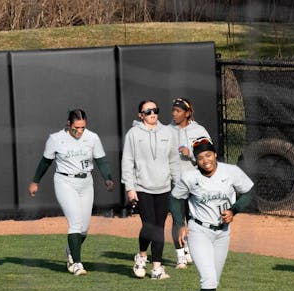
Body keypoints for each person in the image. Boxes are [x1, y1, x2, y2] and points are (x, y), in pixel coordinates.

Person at [170, 138, 254, 291]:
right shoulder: (190, 177)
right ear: (195, 160)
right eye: (200, 157)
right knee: (208, 279)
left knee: (212, 282)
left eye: (208, 155)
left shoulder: (231, 171)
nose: (205, 160)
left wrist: (234, 210)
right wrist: (180, 224)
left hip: (222, 234)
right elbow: (174, 199)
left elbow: (249, 193)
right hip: (199, 231)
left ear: (215, 154)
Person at [27, 109, 114, 276]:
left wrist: (107, 178)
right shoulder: (56, 139)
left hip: (86, 182)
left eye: (83, 127)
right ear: (69, 124)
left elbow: (101, 160)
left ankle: (71, 250)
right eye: (76, 128)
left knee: (84, 229)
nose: (80, 131)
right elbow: (45, 162)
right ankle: (77, 264)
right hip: (65, 181)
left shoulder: (92, 137)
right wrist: (35, 181)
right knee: (75, 223)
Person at [121, 100, 183, 280]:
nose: (152, 114)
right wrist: (130, 188)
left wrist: (177, 185)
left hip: (163, 188)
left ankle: (157, 268)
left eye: (155, 110)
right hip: (142, 188)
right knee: (149, 226)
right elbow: (127, 162)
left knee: (159, 226)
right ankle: (141, 256)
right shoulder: (133, 134)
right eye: (147, 111)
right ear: (141, 115)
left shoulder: (168, 132)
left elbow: (173, 160)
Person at [167, 97, 212, 270]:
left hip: (195, 184)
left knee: (193, 220)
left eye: (178, 111)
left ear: (187, 113)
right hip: (175, 183)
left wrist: (191, 154)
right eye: (173, 110)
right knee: (178, 219)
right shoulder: (167, 130)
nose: (174, 114)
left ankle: (190, 250)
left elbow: (209, 154)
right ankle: (180, 255)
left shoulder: (199, 130)